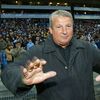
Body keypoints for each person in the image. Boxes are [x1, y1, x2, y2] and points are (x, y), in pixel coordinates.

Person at [1, 10, 100, 100]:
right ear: (51, 30)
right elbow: (8, 71)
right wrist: (23, 77)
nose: (64, 31)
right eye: (59, 27)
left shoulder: (87, 48)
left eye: (68, 26)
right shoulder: (37, 51)